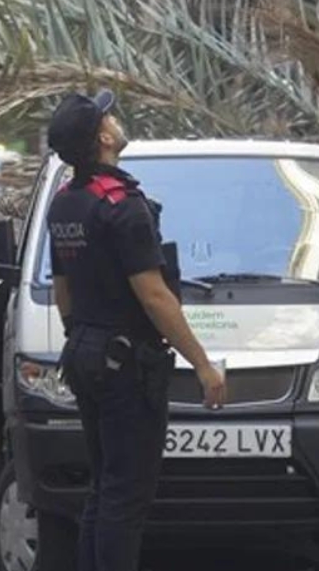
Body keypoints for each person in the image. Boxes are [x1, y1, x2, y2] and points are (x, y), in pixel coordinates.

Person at [45, 89, 226, 571]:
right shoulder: (123, 206)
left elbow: (64, 291)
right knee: (126, 497)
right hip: (125, 365)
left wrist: (83, 336)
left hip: (85, 352)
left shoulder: (65, 204)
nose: (117, 120)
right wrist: (203, 364)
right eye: (110, 116)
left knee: (104, 489)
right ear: (103, 137)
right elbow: (155, 296)